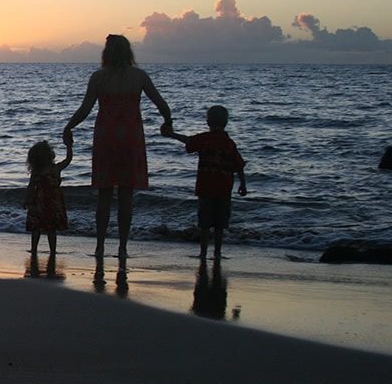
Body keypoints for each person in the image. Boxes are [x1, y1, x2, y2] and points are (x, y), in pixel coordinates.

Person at [63, 34, 171, 273]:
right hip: (131, 139)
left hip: (106, 138)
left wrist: (69, 126)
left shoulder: (99, 78)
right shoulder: (139, 77)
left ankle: (100, 246)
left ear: (106, 53)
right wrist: (168, 123)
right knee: (126, 197)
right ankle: (122, 247)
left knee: (103, 196)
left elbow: (85, 109)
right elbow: (161, 104)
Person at [162, 105, 247, 260]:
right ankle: (218, 252)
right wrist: (243, 184)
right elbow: (239, 166)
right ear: (226, 122)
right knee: (220, 225)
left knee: (205, 224)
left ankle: (203, 252)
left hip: (206, 189)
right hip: (223, 190)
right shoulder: (229, 143)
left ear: (208, 122)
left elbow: (188, 140)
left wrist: (171, 134)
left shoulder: (204, 139)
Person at [23, 139, 73, 255]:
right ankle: (52, 251)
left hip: (38, 202)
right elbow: (68, 160)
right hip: (52, 202)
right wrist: (69, 147)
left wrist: (27, 200)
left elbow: (30, 187)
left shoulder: (36, 171)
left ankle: (34, 249)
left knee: (36, 228)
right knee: (51, 229)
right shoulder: (55, 169)